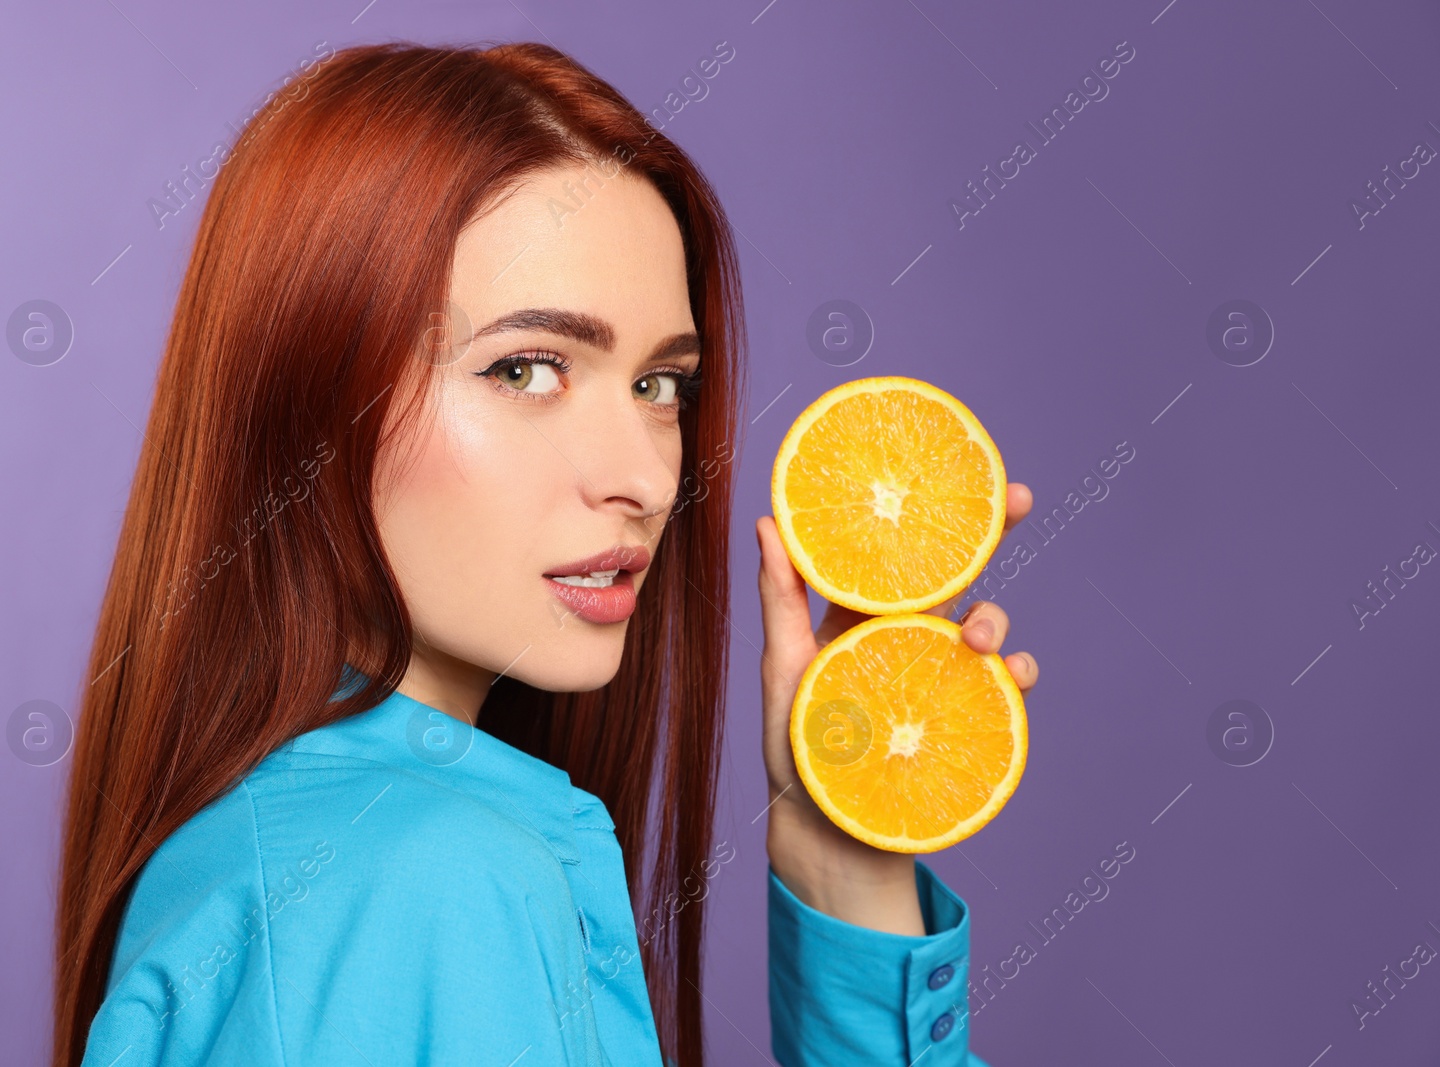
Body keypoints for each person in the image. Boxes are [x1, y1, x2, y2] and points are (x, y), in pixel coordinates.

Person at [53, 40, 1038, 1067]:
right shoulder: (430, 881)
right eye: (525, 368)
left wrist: (845, 866)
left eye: (660, 386)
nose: (650, 481)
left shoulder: (287, 851)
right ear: (307, 400)